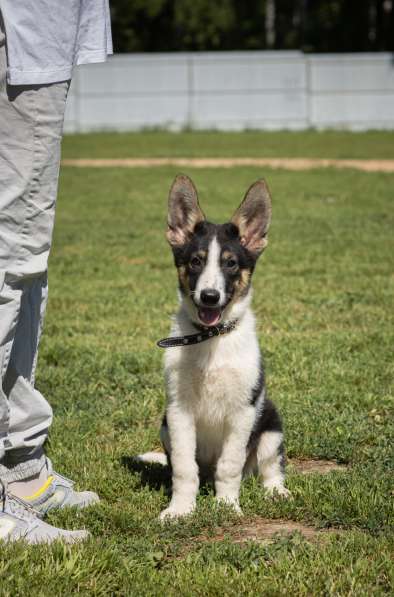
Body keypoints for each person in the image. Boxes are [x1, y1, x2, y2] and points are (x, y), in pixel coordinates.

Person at [0, 1, 112, 544]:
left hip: (35, 37)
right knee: (12, 251)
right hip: (21, 31)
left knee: (24, 261)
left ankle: (19, 468)